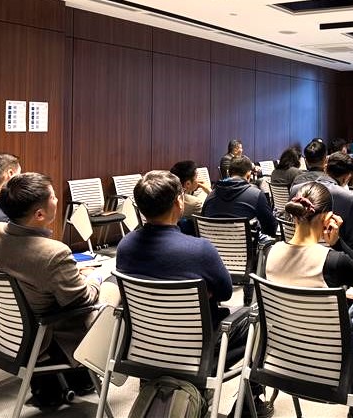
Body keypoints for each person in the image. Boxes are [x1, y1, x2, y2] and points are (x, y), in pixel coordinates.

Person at [116, 171, 273, 418]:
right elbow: (225, 291)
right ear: (179, 203)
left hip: (146, 347)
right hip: (200, 349)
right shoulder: (199, 250)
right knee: (261, 320)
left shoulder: (125, 247)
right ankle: (249, 402)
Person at [0, 172, 120, 407]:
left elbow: (27, 271)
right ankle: (99, 364)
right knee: (112, 285)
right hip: (46, 337)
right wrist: (96, 277)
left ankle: (72, 381)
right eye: (53, 196)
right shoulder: (53, 253)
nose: (57, 199)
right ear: (39, 214)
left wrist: (68, 274)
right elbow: (82, 301)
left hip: (6, 331)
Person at [265, 181, 353, 416]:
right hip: (334, 363)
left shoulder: (270, 252)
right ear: (327, 218)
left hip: (285, 355)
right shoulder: (332, 260)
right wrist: (338, 242)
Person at [291, 152, 353, 255]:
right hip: (332, 259)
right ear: (347, 177)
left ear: (325, 168)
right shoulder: (349, 198)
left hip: (296, 253)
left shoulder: (296, 189)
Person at [203, 156, 277, 237]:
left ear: (228, 174)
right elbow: (271, 227)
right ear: (248, 175)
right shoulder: (256, 195)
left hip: (212, 244)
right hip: (244, 244)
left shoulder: (210, 196)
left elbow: (203, 223)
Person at [170, 160, 212, 236]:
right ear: (188, 184)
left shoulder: (165, 195)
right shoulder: (195, 203)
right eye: (196, 177)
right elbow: (209, 220)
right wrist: (210, 192)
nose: (198, 180)